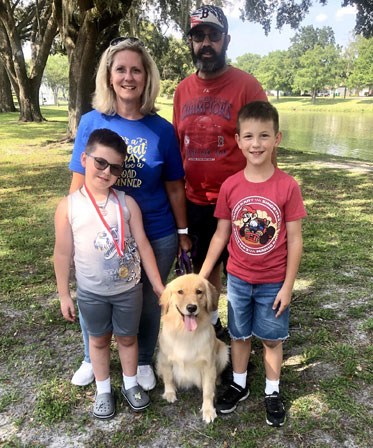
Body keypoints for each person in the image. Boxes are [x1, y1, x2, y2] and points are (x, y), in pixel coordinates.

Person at [68, 37, 190, 390]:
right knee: (96, 293)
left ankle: (143, 360)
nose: (128, 77)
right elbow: (78, 183)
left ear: (146, 77)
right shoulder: (91, 122)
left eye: (136, 70)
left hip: (155, 231)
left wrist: (182, 233)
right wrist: (72, 229)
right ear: (109, 76)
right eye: (120, 69)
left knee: (151, 299)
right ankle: (93, 357)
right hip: (99, 231)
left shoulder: (162, 129)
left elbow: (174, 187)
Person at [200, 101, 306, 427]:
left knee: (272, 339)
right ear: (237, 140)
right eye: (248, 136)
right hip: (239, 279)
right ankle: (240, 384)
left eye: (264, 136)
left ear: (277, 138)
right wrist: (202, 276)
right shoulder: (231, 186)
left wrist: (288, 287)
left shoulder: (287, 186)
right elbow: (221, 235)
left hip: (274, 281)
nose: (256, 143)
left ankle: (272, 391)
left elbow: (295, 239)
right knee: (239, 335)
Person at [54, 129, 165, 419]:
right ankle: (103, 389)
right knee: (99, 341)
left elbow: (142, 245)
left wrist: (157, 285)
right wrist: (65, 294)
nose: (106, 172)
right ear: (84, 159)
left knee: (128, 339)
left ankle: (130, 384)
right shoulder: (68, 207)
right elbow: (63, 253)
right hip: (91, 293)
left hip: (128, 290)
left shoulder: (127, 204)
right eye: (100, 162)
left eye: (115, 168)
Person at [173, 5, 269, 337]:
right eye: (199, 36)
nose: (206, 43)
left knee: (243, 271)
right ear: (191, 42)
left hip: (240, 201)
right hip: (196, 200)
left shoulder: (247, 86)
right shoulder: (182, 90)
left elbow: (265, 145)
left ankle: (245, 334)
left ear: (226, 39)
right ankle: (214, 330)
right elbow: (178, 144)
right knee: (205, 270)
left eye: (213, 35)